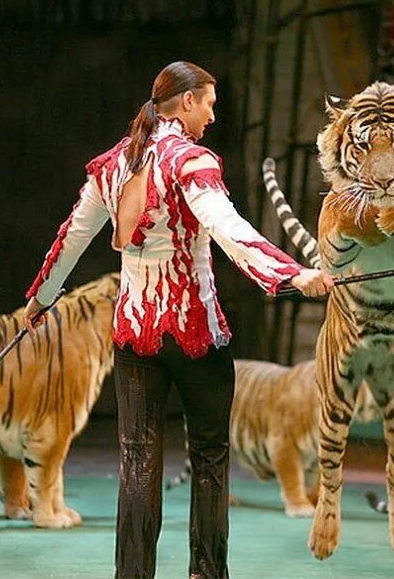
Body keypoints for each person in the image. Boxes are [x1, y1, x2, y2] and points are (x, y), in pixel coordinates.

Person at [21, 61, 333, 579]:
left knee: (137, 461)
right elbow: (227, 227)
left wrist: (42, 297)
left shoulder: (116, 165)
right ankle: (207, 574)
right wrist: (292, 275)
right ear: (186, 101)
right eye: (208, 102)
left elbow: (71, 236)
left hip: (134, 336)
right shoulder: (189, 161)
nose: (212, 114)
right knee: (209, 458)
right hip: (196, 336)